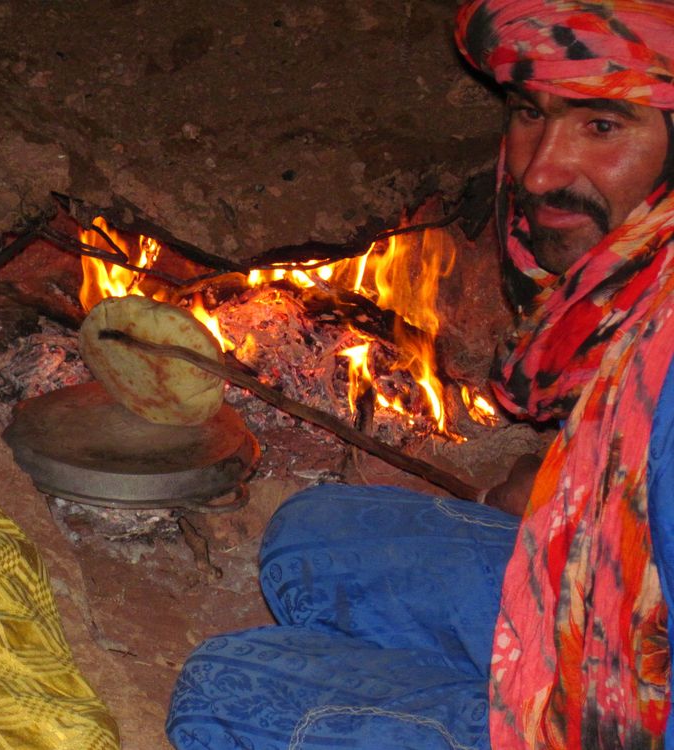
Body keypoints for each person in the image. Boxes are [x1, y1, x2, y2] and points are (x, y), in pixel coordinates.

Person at [165, 1, 674, 748]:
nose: (539, 170)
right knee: (314, 537)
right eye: (531, 113)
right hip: (627, 612)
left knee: (219, 691)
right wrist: (578, 504)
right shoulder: (643, 285)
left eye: (602, 125)